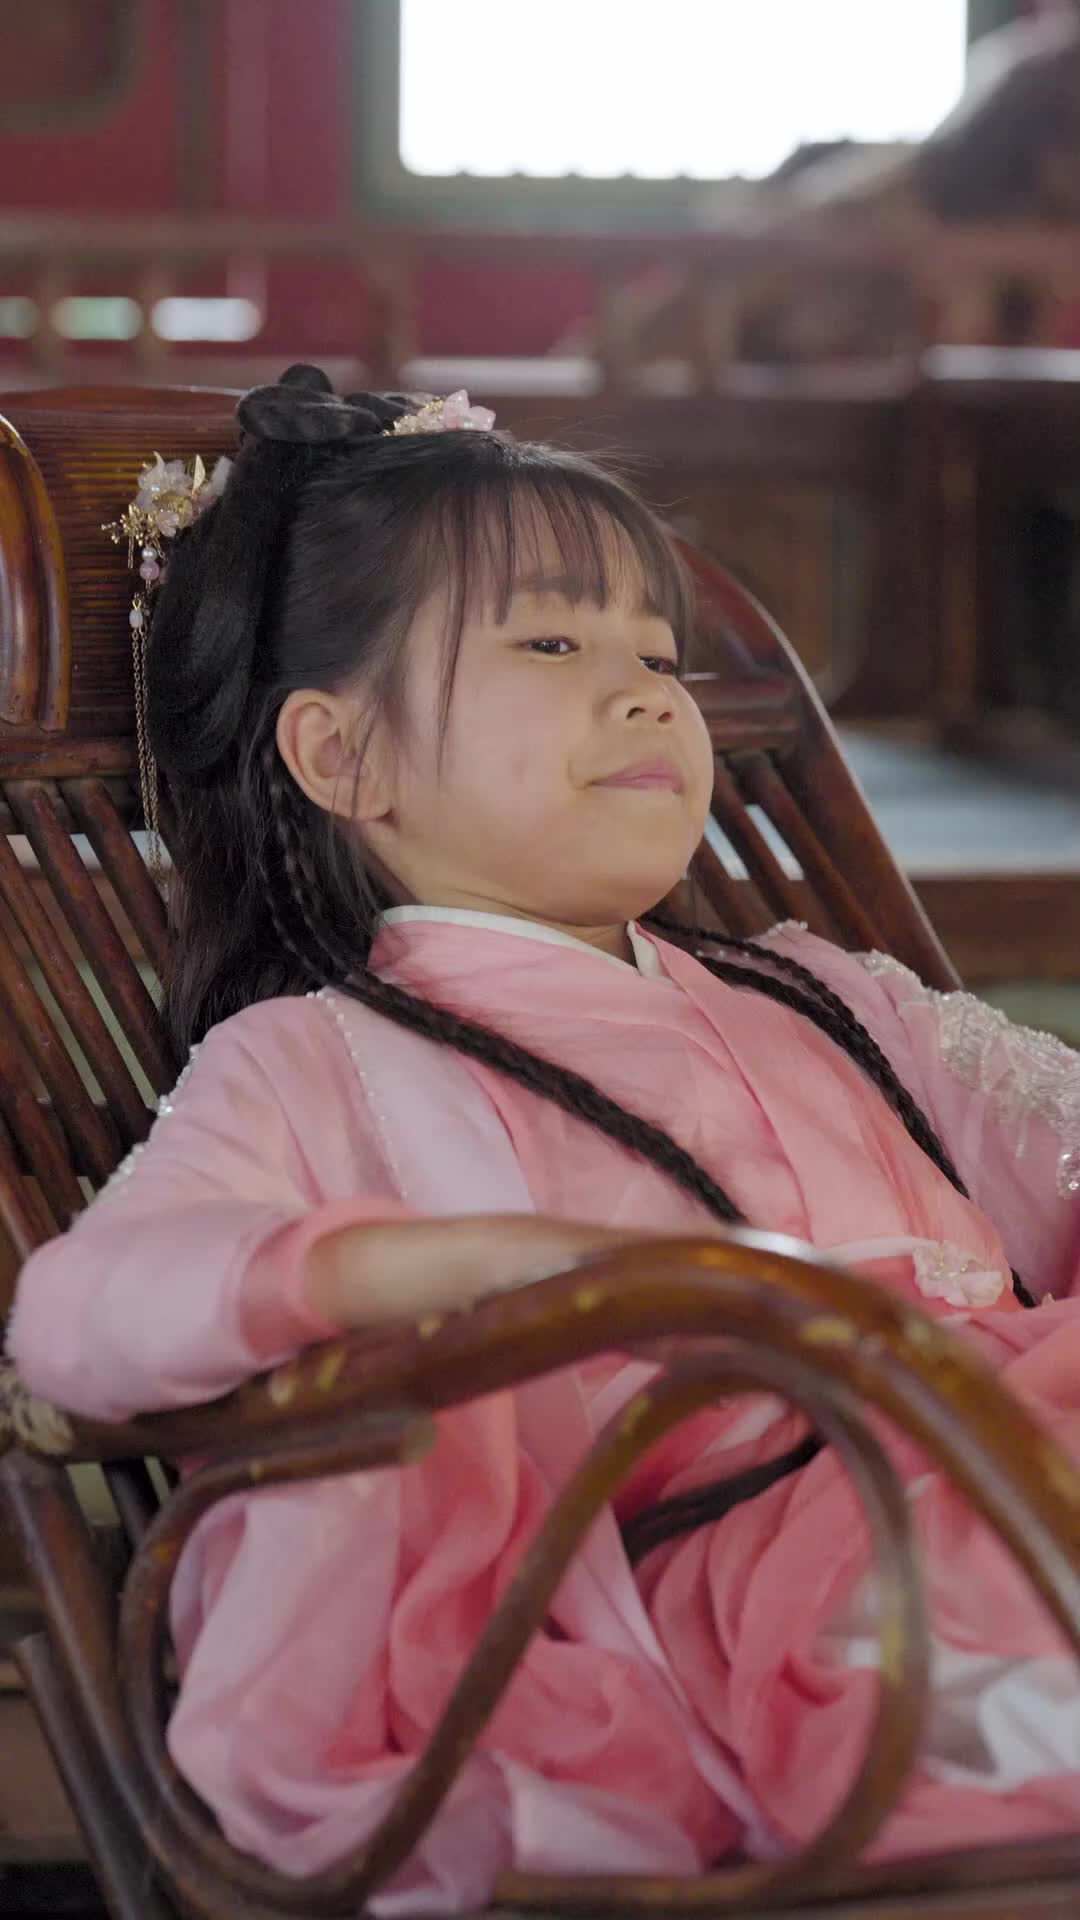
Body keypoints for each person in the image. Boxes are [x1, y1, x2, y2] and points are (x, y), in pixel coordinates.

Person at [8, 365, 1080, 1910]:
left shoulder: (835, 997)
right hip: (813, 1588)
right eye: (556, 644)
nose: (649, 693)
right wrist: (434, 1267)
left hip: (1013, 1449)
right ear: (345, 757)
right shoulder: (320, 1061)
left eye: (658, 654)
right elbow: (73, 1322)